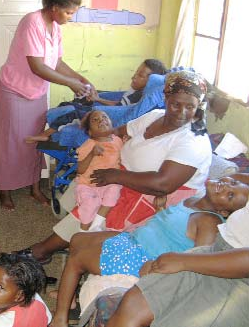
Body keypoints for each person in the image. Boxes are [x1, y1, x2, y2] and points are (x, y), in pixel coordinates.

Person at [16, 70, 212, 263]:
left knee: (97, 199)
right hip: (125, 175)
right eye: (176, 104)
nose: (182, 112)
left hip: (154, 195)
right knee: (87, 180)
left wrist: (114, 175)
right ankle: (74, 236)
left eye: (190, 107)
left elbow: (163, 184)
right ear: (166, 97)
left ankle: (45, 249)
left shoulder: (193, 140)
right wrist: (94, 138)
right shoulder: (156, 116)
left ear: (198, 106)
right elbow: (119, 130)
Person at [49, 175, 249, 327]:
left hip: (142, 256)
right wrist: (161, 209)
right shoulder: (194, 198)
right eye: (232, 182)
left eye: (230, 195)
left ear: (224, 212)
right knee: (77, 239)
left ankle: (60, 317)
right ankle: (71, 299)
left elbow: (197, 257)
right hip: (134, 240)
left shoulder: (209, 221)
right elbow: (175, 230)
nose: (226, 186)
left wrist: (157, 267)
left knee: (78, 259)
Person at [0, 0, 95, 210]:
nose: (71, 17)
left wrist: (81, 78)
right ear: (54, 7)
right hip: (12, 90)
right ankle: (5, 190)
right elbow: (37, 66)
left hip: (35, 92)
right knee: (11, 142)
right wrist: (70, 84)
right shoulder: (32, 22)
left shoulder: (55, 28)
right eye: (69, 12)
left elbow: (56, 63)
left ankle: (34, 187)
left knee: (36, 140)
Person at [105, 198, 249, 327]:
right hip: (216, 250)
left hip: (240, 277)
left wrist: (183, 261)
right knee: (133, 306)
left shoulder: (209, 220)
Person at [25, 59, 167, 143]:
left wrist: (98, 99)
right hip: (108, 110)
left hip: (108, 116)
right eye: (136, 73)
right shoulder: (134, 91)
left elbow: (119, 107)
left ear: (150, 81)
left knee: (72, 113)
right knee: (70, 103)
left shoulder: (137, 96)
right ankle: (68, 108)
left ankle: (46, 134)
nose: (133, 77)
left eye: (140, 75)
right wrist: (96, 98)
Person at [74, 110, 123, 232]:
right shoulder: (89, 144)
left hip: (108, 183)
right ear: (90, 132)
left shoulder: (118, 141)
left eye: (104, 117)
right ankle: (83, 231)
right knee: (90, 204)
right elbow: (80, 169)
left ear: (112, 124)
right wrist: (91, 153)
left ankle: (96, 224)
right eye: (95, 120)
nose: (101, 120)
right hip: (88, 185)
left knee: (115, 190)